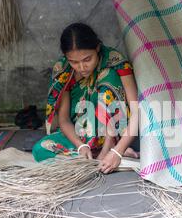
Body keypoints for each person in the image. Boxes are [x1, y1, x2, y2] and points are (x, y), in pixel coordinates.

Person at [32, 23, 139, 174]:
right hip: (82, 135)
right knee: (40, 150)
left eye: (87, 59)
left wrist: (117, 151)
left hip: (115, 133)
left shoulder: (116, 63)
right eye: (74, 62)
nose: (82, 67)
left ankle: (110, 150)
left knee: (108, 75)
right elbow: (64, 120)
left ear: (97, 48)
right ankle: (95, 157)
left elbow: (137, 112)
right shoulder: (64, 71)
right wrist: (80, 145)